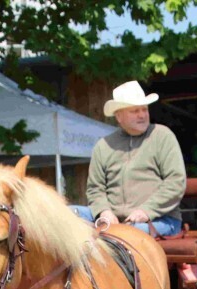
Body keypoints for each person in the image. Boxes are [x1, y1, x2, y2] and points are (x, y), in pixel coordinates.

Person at [69, 81, 186, 237]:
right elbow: (95, 188)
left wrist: (146, 210)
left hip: (159, 219)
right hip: (114, 220)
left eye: (144, 109)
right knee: (65, 214)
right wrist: (104, 212)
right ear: (119, 116)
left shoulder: (162, 136)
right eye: (134, 110)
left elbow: (176, 182)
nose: (142, 115)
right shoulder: (103, 146)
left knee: (126, 235)